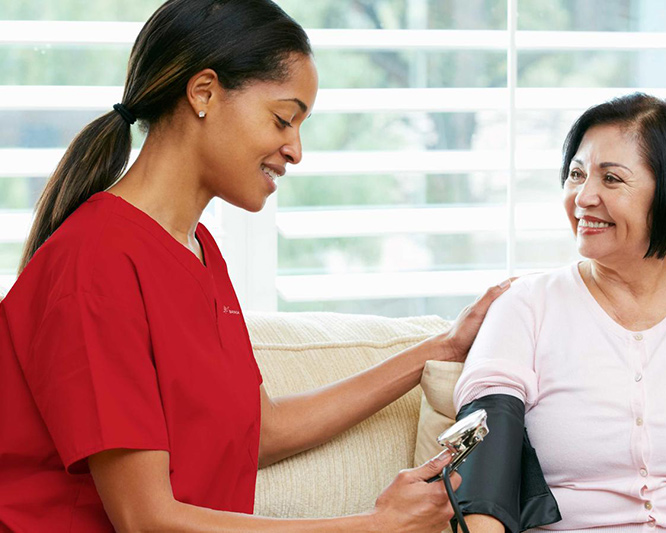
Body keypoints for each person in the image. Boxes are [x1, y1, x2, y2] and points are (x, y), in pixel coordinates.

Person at [0, 1, 514, 531]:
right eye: (283, 118)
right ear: (203, 93)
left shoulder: (197, 249)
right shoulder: (95, 260)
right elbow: (144, 519)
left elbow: (258, 431)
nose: (295, 150)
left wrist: (442, 348)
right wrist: (376, 526)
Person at [452, 93, 666, 533]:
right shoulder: (525, 306)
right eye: (576, 174)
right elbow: (483, 468)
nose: (583, 197)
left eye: (611, 179)